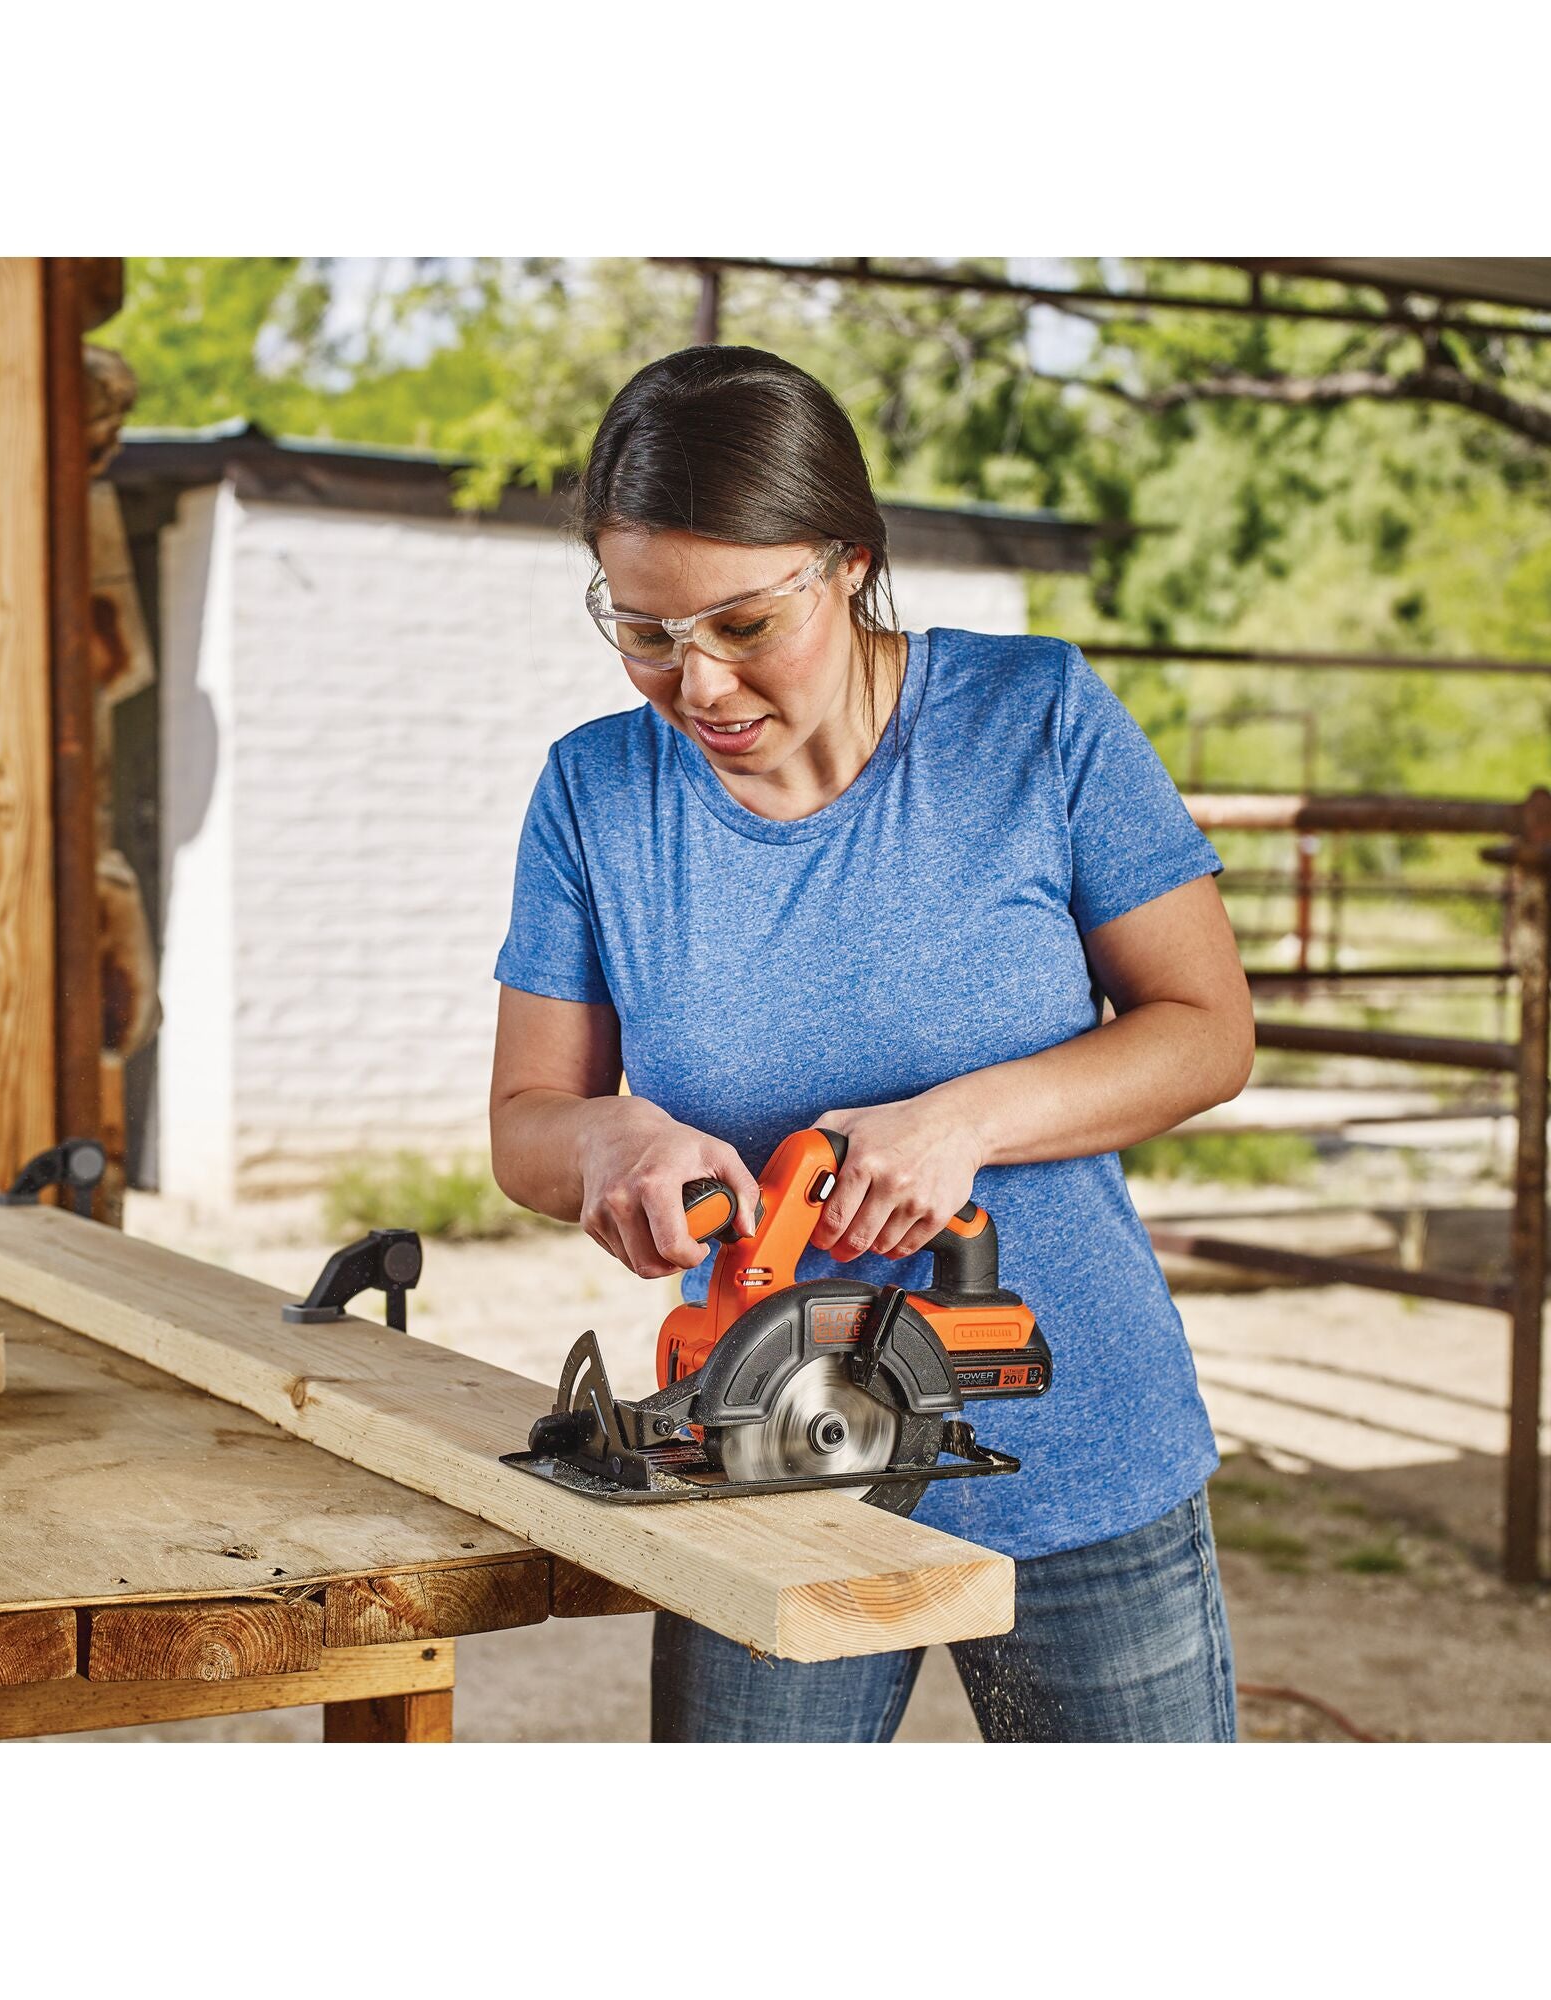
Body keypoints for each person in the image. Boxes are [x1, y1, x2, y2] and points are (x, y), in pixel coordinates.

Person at [487, 345, 1256, 1743]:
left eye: (740, 624)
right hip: (765, 1466)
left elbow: (1207, 1034)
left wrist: (963, 1122)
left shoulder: (1037, 719)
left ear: (847, 561)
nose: (698, 683)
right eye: (645, 630)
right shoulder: (595, 795)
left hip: (1080, 1447)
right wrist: (609, 1137)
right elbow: (527, 1118)